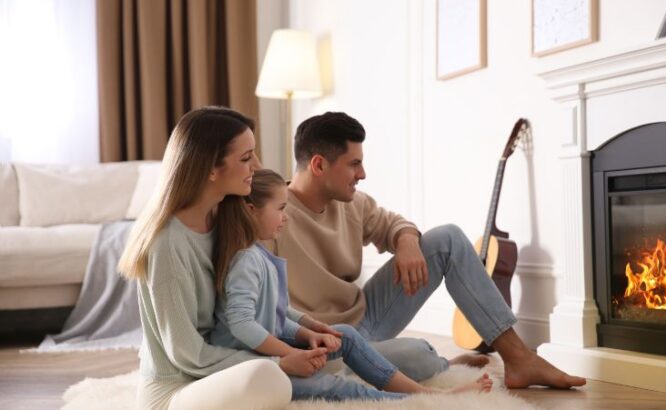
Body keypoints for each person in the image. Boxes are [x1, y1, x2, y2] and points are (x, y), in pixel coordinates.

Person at [273, 111, 587, 389]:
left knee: (447, 238)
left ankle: (519, 358)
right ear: (318, 165)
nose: (363, 174)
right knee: (417, 354)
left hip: (365, 315)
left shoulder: (355, 203)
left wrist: (407, 241)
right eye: (354, 164)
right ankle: (443, 364)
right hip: (325, 340)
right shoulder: (272, 216)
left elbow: (394, 223)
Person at [210, 169, 492, 401]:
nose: (286, 216)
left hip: (272, 352)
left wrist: (309, 331)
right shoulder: (245, 261)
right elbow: (243, 325)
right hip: (256, 367)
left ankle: (423, 391)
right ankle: (412, 400)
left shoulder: (258, 254)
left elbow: (274, 315)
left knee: (344, 334)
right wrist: (292, 354)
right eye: (281, 209)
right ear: (250, 211)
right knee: (333, 386)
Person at [118, 107, 300, 410]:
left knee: (316, 362)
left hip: (216, 373)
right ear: (210, 169)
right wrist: (277, 360)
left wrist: (305, 333)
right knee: (270, 376)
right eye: (245, 158)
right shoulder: (166, 243)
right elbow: (185, 353)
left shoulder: (226, 215)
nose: (256, 165)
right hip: (174, 390)